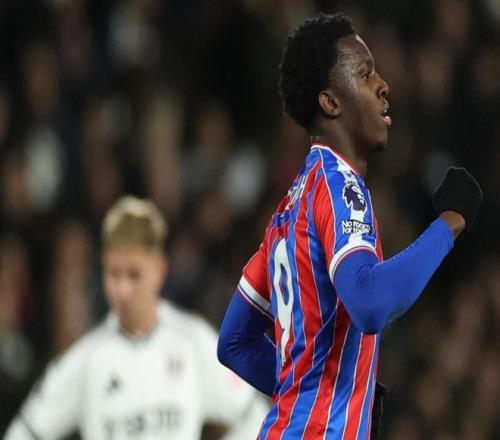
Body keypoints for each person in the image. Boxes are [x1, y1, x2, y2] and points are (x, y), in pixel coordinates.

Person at [217, 12, 483, 439]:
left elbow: (235, 342)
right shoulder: (339, 186)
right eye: (365, 73)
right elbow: (370, 301)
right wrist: (449, 223)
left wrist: (322, 394)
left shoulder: (289, 208)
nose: (383, 85)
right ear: (330, 102)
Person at [5, 196, 268, 440]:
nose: (123, 290)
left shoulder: (193, 343)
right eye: (114, 274)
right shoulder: (87, 359)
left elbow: (257, 416)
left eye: (133, 274)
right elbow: (23, 432)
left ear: (159, 270)